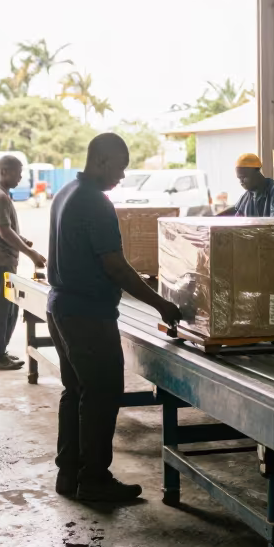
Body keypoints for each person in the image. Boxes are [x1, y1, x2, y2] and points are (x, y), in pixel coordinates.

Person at [47, 132, 181, 504]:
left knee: (76, 392)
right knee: (103, 393)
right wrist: (161, 304)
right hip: (87, 314)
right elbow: (115, 266)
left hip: (61, 307)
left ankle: (69, 474)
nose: (121, 177)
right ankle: (94, 479)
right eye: (120, 168)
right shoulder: (94, 202)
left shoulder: (65, 194)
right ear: (103, 160)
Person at [0, 154, 47, 372]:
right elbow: (4, 231)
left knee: (7, 307)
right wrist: (31, 253)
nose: (20, 177)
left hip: (1, 256)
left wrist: (21, 239)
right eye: (17, 173)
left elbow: (6, 230)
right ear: (4, 172)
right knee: (0, 308)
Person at [217, 153, 274, 218]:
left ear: (257, 172)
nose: (241, 182)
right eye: (239, 178)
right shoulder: (247, 196)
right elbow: (235, 210)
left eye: (244, 177)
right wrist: (214, 218)